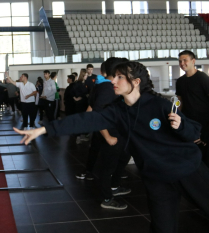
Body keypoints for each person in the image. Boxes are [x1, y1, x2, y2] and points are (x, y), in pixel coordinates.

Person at [15, 61, 209, 233]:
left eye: (120, 77)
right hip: (157, 177)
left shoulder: (159, 105)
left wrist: (181, 126)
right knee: (162, 227)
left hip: (187, 169)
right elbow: (87, 120)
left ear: (136, 82)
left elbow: (193, 133)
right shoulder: (117, 110)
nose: (113, 81)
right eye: (114, 76)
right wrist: (44, 129)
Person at [76, 58, 131, 210]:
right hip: (110, 132)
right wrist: (107, 136)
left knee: (118, 159)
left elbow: (91, 108)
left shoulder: (101, 86)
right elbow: (98, 112)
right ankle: (107, 198)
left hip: (110, 131)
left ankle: (113, 187)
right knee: (108, 167)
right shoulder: (107, 87)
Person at [176, 50, 209, 166]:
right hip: (188, 121)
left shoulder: (203, 78)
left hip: (204, 122)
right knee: (191, 151)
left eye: (185, 60)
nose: (182, 63)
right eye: (180, 61)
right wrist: (178, 116)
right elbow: (180, 101)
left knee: (204, 152)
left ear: (193, 61)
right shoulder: (180, 81)